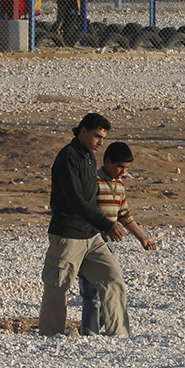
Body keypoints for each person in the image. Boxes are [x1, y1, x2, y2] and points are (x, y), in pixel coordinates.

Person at [38, 112, 129, 337]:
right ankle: (50, 339)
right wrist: (106, 224)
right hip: (68, 235)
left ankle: (120, 337)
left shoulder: (90, 157)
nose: (100, 142)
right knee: (57, 288)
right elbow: (74, 199)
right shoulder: (68, 156)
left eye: (103, 138)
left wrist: (101, 226)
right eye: (97, 136)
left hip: (92, 236)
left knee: (113, 279)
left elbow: (91, 199)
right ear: (83, 131)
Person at [77, 141, 158, 336]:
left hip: (109, 246)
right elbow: (83, 212)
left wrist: (143, 238)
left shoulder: (120, 185)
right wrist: (101, 228)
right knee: (91, 294)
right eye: (120, 166)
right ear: (107, 161)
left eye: (127, 168)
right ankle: (89, 335)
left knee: (114, 288)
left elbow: (124, 215)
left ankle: (94, 330)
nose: (123, 172)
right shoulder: (92, 181)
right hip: (88, 243)